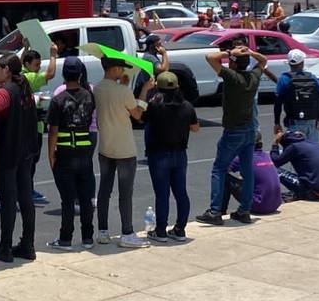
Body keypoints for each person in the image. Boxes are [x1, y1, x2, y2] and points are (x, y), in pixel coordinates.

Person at [197, 43, 269, 226]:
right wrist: (251, 52)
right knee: (247, 171)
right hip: (250, 130)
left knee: (219, 168)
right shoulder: (253, 77)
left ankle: (215, 211)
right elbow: (264, 61)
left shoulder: (231, 77)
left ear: (234, 63)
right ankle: (244, 210)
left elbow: (210, 58)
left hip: (233, 131)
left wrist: (230, 51)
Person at [93, 56, 153, 249]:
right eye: (121, 68)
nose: (123, 71)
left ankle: (102, 231)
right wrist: (144, 91)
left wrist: (123, 86)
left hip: (106, 145)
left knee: (104, 190)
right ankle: (127, 232)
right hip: (124, 147)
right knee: (125, 193)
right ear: (115, 68)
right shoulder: (123, 91)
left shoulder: (98, 88)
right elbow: (137, 114)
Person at [46, 57, 97, 249]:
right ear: (81, 74)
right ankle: (87, 237)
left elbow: (53, 131)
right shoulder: (89, 95)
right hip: (85, 149)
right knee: (85, 197)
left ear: (63, 75)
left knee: (67, 199)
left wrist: (51, 154)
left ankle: (65, 239)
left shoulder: (58, 99)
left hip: (65, 151)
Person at [0, 54, 38, 262]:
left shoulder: (6, 92)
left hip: (8, 153)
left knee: (8, 200)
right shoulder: (25, 88)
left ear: (8, 70)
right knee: (26, 198)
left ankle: (5, 246)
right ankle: (28, 244)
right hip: (26, 151)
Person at [143, 71, 199, 242]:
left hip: (159, 154)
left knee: (162, 195)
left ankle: (161, 231)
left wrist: (145, 91)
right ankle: (180, 229)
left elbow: (139, 116)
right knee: (181, 193)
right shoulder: (187, 106)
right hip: (180, 154)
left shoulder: (154, 106)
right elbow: (195, 128)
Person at [21, 46, 57, 208]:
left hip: (29, 124)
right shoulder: (30, 77)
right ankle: (26, 190)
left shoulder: (21, 72)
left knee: (28, 161)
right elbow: (50, 74)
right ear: (27, 64)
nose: (38, 68)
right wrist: (53, 55)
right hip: (33, 126)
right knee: (31, 161)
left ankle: (28, 188)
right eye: (36, 65)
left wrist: (26, 47)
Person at [273, 50, 319, 143]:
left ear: (289, 63)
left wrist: (277, 123)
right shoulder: (312, 77)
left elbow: (278, 103)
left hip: (293, 122)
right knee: (312, 151)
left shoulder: (284, 79)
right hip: (312, 121)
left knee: (295, 152)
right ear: (302, 62)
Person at [271, 130, 319, 201]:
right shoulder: (315, 144)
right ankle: (298, 193)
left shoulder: (294, 147)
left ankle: (298, 194)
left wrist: (275, 144)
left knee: (272, 169)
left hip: (312, 193)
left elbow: (275, 162)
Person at [228, 135, 282, 215]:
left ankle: (219, 211)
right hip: (276, 204)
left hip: (259, 206)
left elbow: (224, 169)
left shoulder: (243, 157)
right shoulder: (266, 156)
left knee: (224, 177)